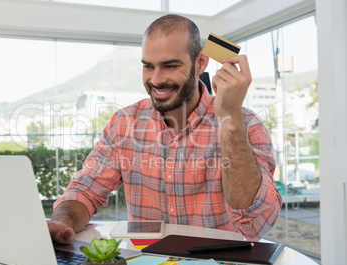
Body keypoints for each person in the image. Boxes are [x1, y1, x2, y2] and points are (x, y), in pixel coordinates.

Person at [48, 14, 282, 244]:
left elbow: (254, 224)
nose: (156, 80)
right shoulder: (124, 123)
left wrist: (230, 119)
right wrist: (62, 222)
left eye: (170, 66)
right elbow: (86, 190)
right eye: (148, 66)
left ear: (200, 63)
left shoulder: (246, 124)